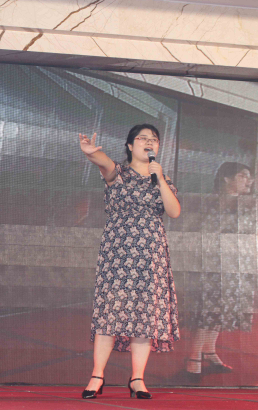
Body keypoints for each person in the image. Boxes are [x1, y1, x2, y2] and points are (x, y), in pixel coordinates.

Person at [79, 124, 181, 400]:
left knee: (145, 316)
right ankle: (97, 376)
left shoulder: (162, 178)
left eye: (154, 140)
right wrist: (91, 152)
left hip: (151, 253)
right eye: (142, 138)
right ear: (130, 145)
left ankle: (137, 378)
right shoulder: (119, 173)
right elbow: (104, 163)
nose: (149, 142)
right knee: (110, 313)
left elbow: (174, 211)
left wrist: (160, 179)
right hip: (118, 252)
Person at [186, 162, 255, 378]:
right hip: (212, 265)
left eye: (250, 177)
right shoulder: (212, 201)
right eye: (243, 176)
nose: (249, 181)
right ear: (227, 178)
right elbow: (206, 230)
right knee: (208, 309)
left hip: (236, 265)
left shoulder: (249, 203)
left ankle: (209, 351)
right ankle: (193, 357)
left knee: (222, 310)